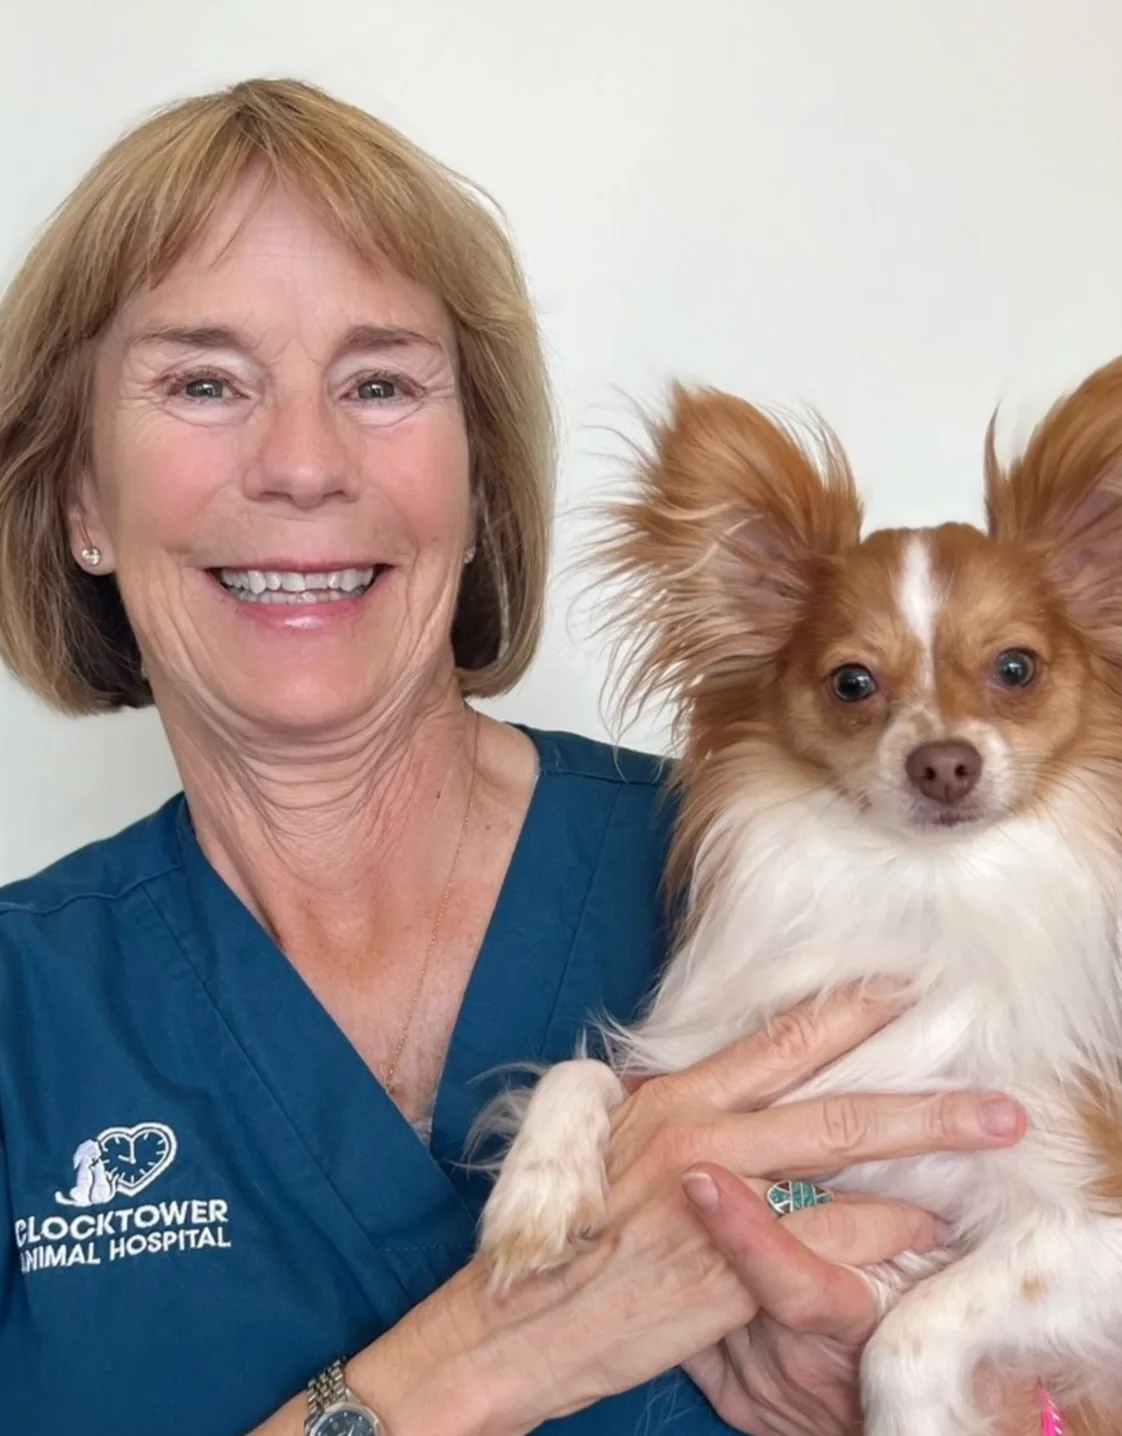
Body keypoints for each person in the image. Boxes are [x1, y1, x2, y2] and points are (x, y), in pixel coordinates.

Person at [0, 78, 1039, 1434]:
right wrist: (489, 1358)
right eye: (204, 382)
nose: (303, 463)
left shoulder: (863, 871)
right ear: (78, 497)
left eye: (379, 382)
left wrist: (962, 1401)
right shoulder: (28, 1018)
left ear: (480, 486)